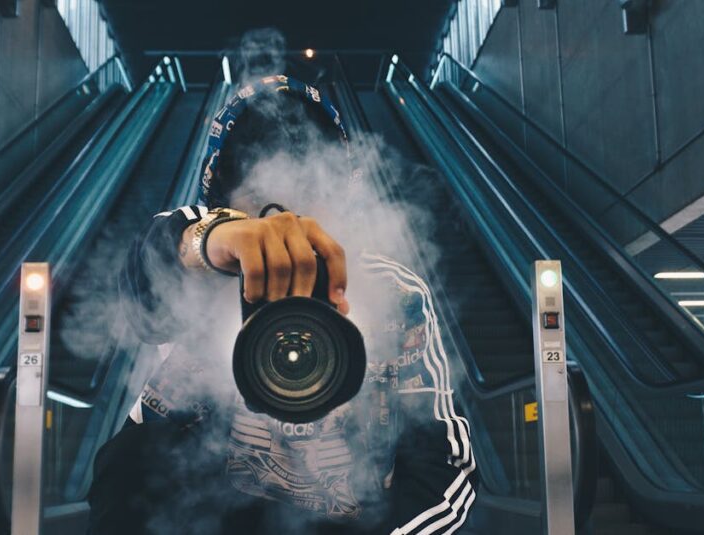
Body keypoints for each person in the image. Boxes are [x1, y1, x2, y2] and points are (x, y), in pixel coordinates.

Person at [88, 74, 477, 534]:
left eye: (307, 193)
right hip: (206, 513)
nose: (287, 222)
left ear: (341, 189)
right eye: (259, 201)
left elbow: (443, 471)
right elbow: (147, 287)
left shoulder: (394, 293)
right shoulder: (206, 265)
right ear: (225, 207)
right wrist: (208, 242)